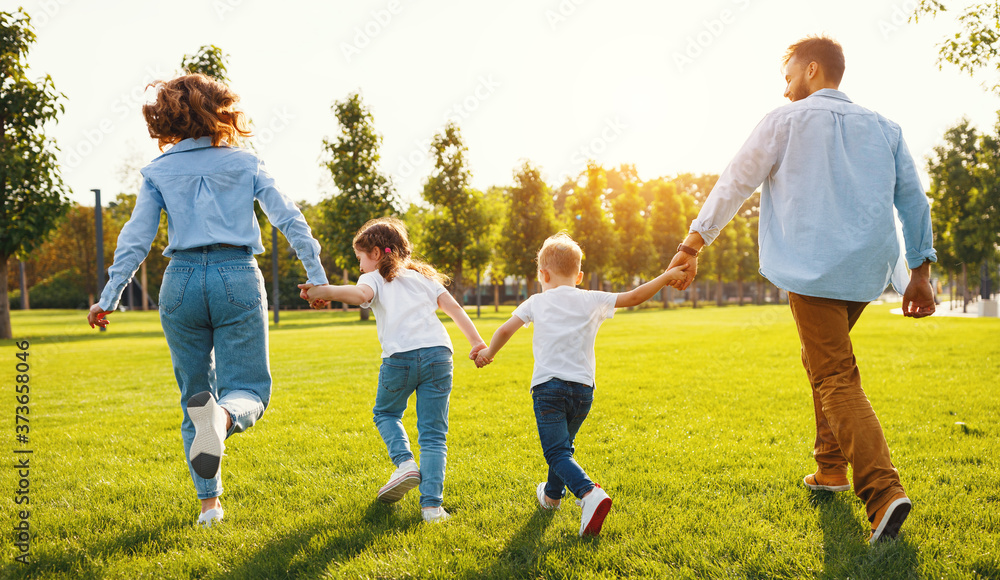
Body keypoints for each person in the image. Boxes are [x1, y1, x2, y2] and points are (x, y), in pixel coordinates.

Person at [665, 35, 937, 544]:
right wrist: (919, 271)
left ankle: (882, 494)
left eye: (788, 74)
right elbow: (913, 201)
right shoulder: (886, 128)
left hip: (812, 268)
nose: (785, 86)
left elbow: (736, 180)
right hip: (864, 272)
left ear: (812, 70)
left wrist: (692, 242)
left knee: (834, 375)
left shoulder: (784, 120)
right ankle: (829, 469)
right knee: (822, 362)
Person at [87, 74, 329, 528]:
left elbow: (135, 240)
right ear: (222, 110)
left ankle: (209, 507)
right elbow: (291, 221)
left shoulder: (157, 172)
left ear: (167, 115)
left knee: (193, 394)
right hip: (235, 275)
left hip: (178, 282)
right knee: (249, 391)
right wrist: (316, 278)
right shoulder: (246, 163)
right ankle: (221, 419)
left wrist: (109, 296)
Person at [474, 233, 688, 537]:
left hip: (548, 389)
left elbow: (506, 329)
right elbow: (635, 296)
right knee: (564, 448)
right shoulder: (591, 298)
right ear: (580, 275)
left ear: (543, 274)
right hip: (583, 392)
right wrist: (665, 277)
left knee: (557, 452)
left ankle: (590, 493)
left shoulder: (536, 301)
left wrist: (487, 354)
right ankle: (551, 496)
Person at [298, 217, 487, 523]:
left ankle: (405, 463)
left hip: (399, 359)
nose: (360, 267)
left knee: (385, 414)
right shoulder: (424, 277)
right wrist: (477, 343)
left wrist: (324, 291)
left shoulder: (372, 279)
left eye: (360, 258)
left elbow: (359, 296)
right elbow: (455, 309)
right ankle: (432, 508)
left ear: (374, 252)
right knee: (434, 435)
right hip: (439, 355)